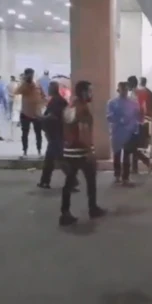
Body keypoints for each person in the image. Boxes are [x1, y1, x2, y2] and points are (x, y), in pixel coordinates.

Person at [59, 80, 107, 226]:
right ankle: (93, 208)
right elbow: (84, 132)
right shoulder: (83, 109)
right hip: (81, 152)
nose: (92, 94)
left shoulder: (70, 107)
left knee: (69, 183)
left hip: (69, 151)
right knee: (91, 181)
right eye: (90, 91)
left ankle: (64, 213)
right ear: (84, 92)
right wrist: (90, 152)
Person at [38, 81, 78, 190]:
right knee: (50, 159)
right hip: (55, 134)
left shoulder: (57, 101)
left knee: (60, 159)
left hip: (57, 134)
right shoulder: (58, 101)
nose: (49, 90)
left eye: (50, 88)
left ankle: (72, 181)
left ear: (54, 89)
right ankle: (44, 181)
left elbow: (55, 117)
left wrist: (42, 118)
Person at [107, 81, 140, 185]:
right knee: (117, 154)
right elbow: (109, 117)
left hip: (129, 133)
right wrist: (120, 119)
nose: (125, 91)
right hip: (117, 132)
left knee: (127, 156)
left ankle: (126, 177)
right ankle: (117, 175)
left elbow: (137, 116)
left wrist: (136, 128)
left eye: (126, 89)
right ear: (118, 90)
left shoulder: (133, 103)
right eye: (123, 89)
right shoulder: (112, 103)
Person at [15, 68, 46, 157]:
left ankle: (39, 150)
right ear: (25, 75)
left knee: (38, 133)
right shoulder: (23, 85)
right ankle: (25, 151)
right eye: (29, 75)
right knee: (25, 133)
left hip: (37, 113)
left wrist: (41, 104)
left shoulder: (37, 84)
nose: (31, 76)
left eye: (32, 74)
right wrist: (25, 83)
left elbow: (44, 96)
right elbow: (16, 92)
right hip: (25, 113)